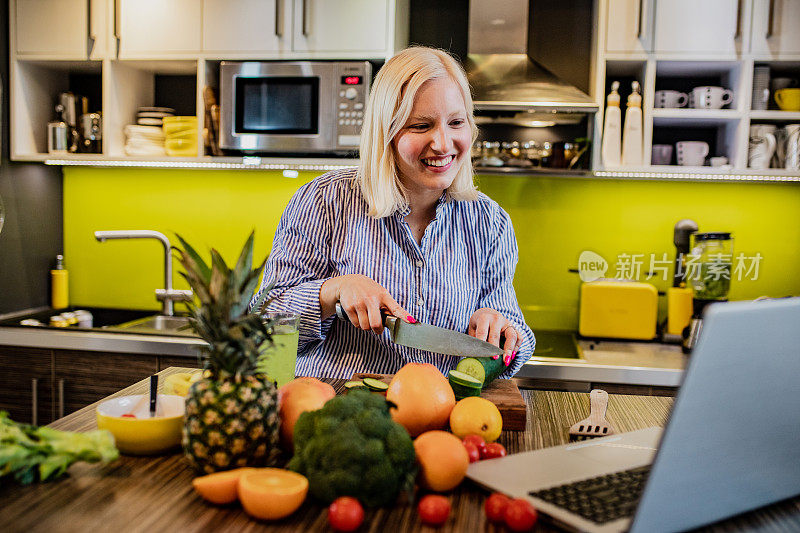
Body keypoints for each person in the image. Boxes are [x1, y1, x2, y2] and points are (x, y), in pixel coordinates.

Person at [252, 46, 535, 379]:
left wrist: (500, 328)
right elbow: (262, 330)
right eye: (420, 125)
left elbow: (514, 335)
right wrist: (332, 291)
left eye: (456, 122)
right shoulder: (324, 202)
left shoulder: (490, 223)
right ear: (385, 131)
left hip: (440, 417)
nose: (443, 144)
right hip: (334, 411)